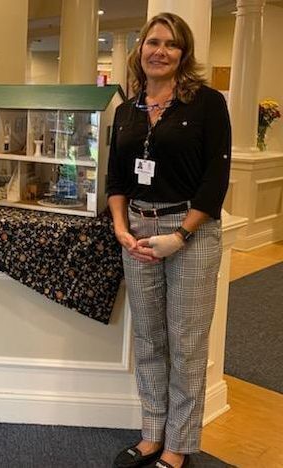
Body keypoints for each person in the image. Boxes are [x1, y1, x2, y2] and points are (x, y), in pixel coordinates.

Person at [106, 12, 231, 468]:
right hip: (137, 233)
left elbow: (216, 180)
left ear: (184, 54)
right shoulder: (126, 110)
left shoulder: (207, 104)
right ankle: (151, 434)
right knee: (150, 340)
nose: (160, 51)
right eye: (153, 42)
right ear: (140, 49)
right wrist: (122, 229)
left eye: (171, 44)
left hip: (190, 234)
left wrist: (179, 235)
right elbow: (116, 179)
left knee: (186, 340)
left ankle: (178, 445)